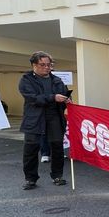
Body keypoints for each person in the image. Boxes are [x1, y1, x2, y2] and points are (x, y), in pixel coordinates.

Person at [18, 51, 70, 189]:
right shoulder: (26, 80)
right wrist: (53, 97)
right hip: (34, 119)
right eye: (43, 65)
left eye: (49, 65)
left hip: (54, 118)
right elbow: (32, 98)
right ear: (34, 65)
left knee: (57, 147)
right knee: (31, 149)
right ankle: (30, 179)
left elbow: (62, 96)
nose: (47, 67)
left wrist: (67, 99)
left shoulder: (57, 80)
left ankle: (57, 175)